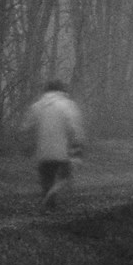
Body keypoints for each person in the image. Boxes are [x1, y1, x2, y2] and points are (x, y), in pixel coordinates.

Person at [22, 79, 85, 210]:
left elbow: (26, 127)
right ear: (62, 90)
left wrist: (28, 144)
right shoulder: (68, 105)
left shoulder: (37, 106)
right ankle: (52, 195)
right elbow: (75, 128)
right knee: (65, 176)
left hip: (43, 151)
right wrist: (78, 147)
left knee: (46, 178)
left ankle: (49, 204)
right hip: (63, 151)